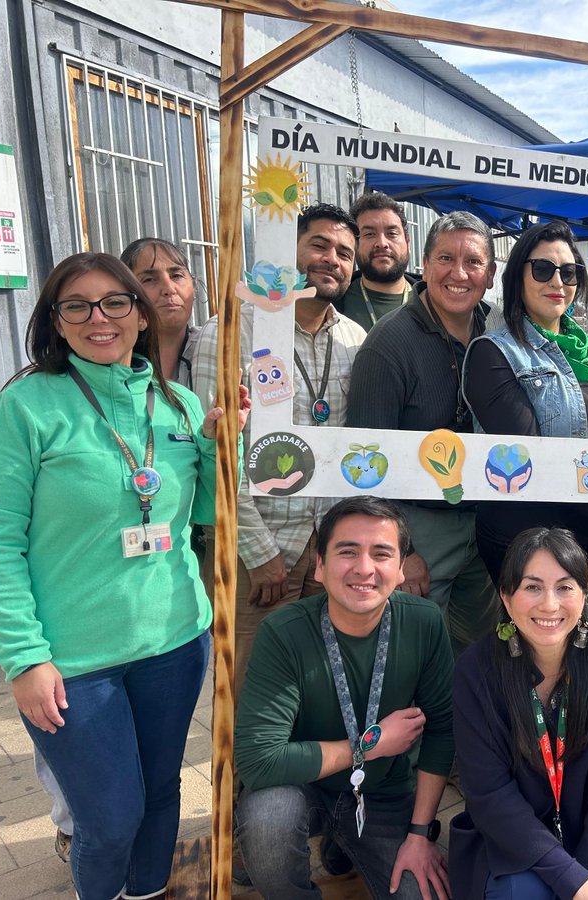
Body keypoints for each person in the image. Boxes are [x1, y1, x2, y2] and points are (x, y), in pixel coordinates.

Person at [0, 252, 248, 900]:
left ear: (139, 315)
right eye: (78, 305)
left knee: (161, 797)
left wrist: (213, 441)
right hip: (72, 661)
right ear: (56, 322)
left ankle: (147, 893)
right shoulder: (28, 407)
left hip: (174, 642)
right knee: (110, 818)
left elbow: (200, 516)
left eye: (115, 302)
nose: (100, 318)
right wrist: (23, 658)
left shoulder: (174, 402)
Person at [234, 496, 453, 900]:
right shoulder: (283, 633)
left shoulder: (425, 622)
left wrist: (420, 835)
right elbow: (257, 761)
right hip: (301, 787)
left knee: (424, 893)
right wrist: (369, 746)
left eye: (382, 553)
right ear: (319, 565)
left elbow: (442, 732)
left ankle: (344, 843)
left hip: (384, 794)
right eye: (347, 551)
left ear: (402, 568)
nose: (364, 568)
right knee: (266, 819)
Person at [192, 202, 368, 701]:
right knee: (251, 694)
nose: (331, 259)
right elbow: (216, 457)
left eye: (344, 253)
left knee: (320, 690)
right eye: (318, 245)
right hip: (261, 551)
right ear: (287, 252)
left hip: (329, 545)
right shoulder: (230, 334)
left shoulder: (357, 340)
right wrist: (257, 551)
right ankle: (247, 783)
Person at [450, 527, 588, 899]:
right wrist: (569, 879)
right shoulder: (475, 671)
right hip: (511, 847)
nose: (549, 605)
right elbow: (490, 796)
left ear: (585, 594)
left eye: (564, 587)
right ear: (506, 598)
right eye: (532, 587)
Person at [346, 211, 500, 654]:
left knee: (478, 651)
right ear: (426, 265)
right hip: (419, 525)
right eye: (446, 258)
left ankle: (463, 725)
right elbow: (364, 462)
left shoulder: (499, 332)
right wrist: (401, 549)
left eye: (473, 263)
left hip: (484, 521)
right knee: (409, 652)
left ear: (489, 275)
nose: (459, 273)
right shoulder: (389, 343)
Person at [462, 220, 588, 582]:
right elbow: (532, 454)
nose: (557, 282)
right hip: (526, 540)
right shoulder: (493, 353)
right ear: (517, 278)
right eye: (543, 269)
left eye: (569, 272)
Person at [121, 238, 201, 388]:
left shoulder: (214, 351)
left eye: (177, 276)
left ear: (193, 286)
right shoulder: (115, 361)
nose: (169, 289)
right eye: (150, 279)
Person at [340, 190, 420, 331]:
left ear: (408, 242)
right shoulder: (330, 304)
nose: (382, 243)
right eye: (369, 234)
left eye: (392, 234)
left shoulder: (434, 302)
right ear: (354, 244)